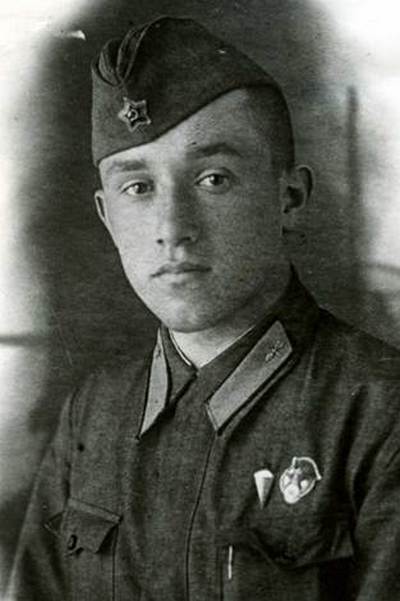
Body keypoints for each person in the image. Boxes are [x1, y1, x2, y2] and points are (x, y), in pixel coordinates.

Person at [8, 15, 400, 601]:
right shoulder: (94, 412)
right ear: (106, 216)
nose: (172, 229)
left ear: (289, 198)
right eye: (138, 187)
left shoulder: (378, 412)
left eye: (213, 178)